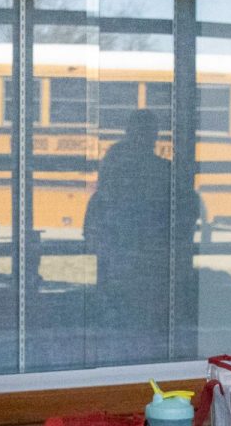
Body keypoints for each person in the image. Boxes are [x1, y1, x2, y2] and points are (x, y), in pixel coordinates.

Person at [82, 108, 199, 364]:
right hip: (138, 256)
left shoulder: (123, 165)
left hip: (135, 256)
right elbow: (189, 207)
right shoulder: (160, 171)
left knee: (131, 315)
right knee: (140, 316)